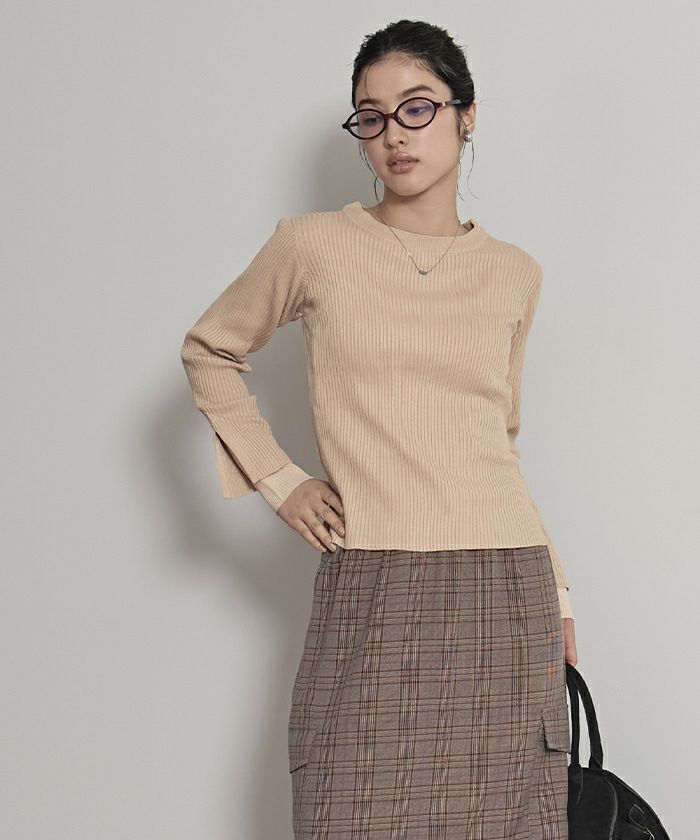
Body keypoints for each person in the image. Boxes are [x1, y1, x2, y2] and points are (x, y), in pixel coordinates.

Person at [180, 18, 577, 840]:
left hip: (505, 589)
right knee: (345, 807)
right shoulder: (313, 246)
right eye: (372, 115)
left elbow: (497, 445)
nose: (395, 134)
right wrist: (280, 481)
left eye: (417, 107)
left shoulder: (514, 274)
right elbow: (210, 350)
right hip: (374, 582)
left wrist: (562, 601)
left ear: (468, 116)